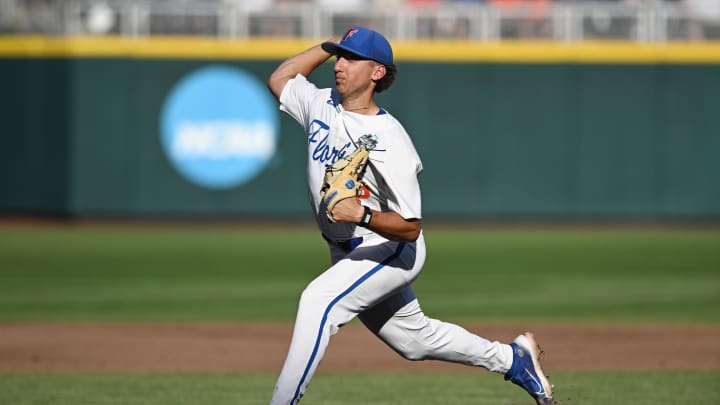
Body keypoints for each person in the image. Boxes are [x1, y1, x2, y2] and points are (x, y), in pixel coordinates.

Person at [266, 26, 555, 405]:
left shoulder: (391, 139)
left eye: (352, 58)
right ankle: (513, 360)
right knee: (414, 341)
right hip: (345, 249)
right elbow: (281, 78)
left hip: (389, 247)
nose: (340, 64)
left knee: (318, 300)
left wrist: (364, 215)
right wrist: (329, 44)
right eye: (340, 56)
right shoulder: (320, 103)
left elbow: (410, 227)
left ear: (377, 72)